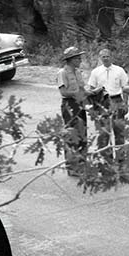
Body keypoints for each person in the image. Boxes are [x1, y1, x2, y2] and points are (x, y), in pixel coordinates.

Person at [85, 47, 129, 155]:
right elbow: (91, 88)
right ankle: (106, 157)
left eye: (107, 56)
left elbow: (125, 88)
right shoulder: (96, 72)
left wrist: (125, 103)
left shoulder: (119, 70)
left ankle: (120, 157)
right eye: (103, 57)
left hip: (116, 100)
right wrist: (92, 106)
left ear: (111, 57)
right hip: (102, 102)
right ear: (100, 58)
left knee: (119, 130)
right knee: (104, 131)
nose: (105, 58)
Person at [56, 46, 88, 174]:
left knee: (82, 133)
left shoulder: (78, 72)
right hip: (69, 105)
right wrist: (77, 94)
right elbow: (63, 92)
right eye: (77, 58)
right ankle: (72, 167)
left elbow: (82, 89)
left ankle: (82, 163)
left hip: (80, 104)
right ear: (70, 60)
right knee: (71, 135)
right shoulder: (62, 73)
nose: (80, 60)